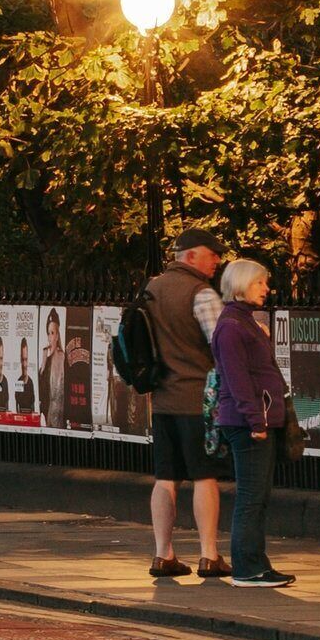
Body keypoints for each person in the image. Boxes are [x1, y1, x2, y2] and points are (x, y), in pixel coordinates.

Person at [143, 229, 228, 579]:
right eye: (212, 254)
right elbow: (222, 343)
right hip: (197, 399)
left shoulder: (151, 289)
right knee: (204, 476)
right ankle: (209, 555)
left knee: (166, 477)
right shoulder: (201, 293)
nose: (217, 260)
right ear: (191, 256)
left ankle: (163, 554)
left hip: (162, 399)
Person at [213, 256, 296, 588]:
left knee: (259, 496)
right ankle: (247, 568)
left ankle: (257, 564)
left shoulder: (244, 322)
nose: (266, 288)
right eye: (259, 282)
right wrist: (255, 421)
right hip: (248, 424)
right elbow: (238, 380)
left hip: (258, 419)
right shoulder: (232, 327)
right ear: (240, 285)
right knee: (251, 496)